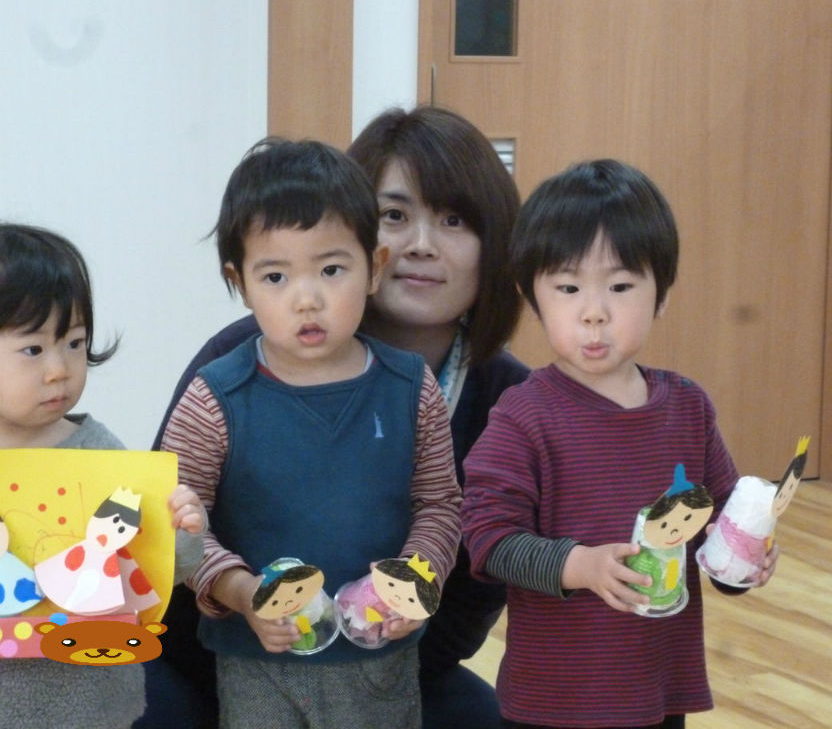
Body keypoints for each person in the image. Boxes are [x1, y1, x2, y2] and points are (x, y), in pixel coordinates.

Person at [140, 105, 526, 729]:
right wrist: (242, 596)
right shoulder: (226, 377)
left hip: (389, 661)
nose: (420, 244)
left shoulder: (474, 393)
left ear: (368, 260)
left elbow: (449, 525)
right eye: (396, 213)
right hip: (232, 660)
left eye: (453, 219)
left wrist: (405, 597)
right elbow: (175, 523)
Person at [460, 159, 780, 729]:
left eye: (621, 286)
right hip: (554, 703)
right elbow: (488, 539)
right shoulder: (522, 416)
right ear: (532, 298)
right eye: (567, 288)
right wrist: (579, 565)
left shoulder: (688, 408)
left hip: (658, 691)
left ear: (661, 294)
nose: (594, 312)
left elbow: (719, 524)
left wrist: (742, 559)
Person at [0, 223, 206, 729]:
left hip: (92, 704)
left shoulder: (98, 451)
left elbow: (165, 569)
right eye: (34, 349)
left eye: (74, 342)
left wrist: (183, 528)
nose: (60, 369)